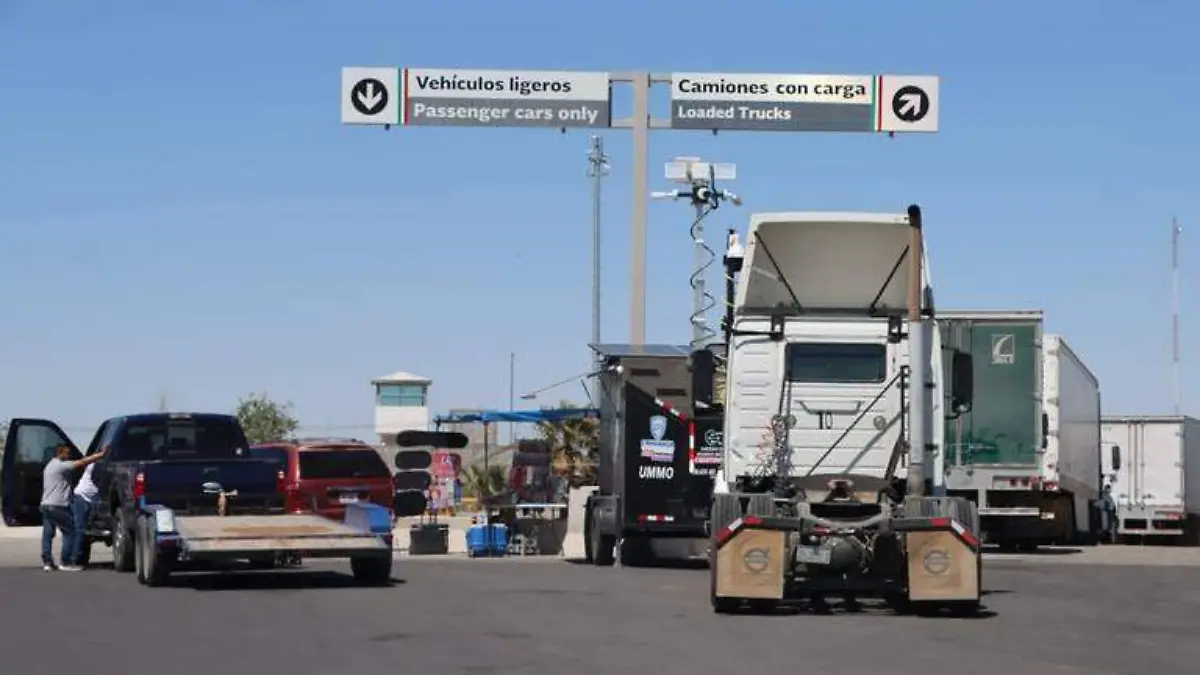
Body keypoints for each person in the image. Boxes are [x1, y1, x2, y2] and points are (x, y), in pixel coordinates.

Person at [40, 444, 107, 571]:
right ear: (60, 453)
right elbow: (81, 462)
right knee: (71, 531)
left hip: (45, 504)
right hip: (58, 505)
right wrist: (100, 455)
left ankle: (47, 562)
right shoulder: (61, 466)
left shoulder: (49, 466)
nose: (69, 456)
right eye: (67, 453)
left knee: (48, 534)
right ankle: (66, 562)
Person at [66, 448, 104, 568]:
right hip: (81, 498)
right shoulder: (94, 465)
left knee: (84, 531)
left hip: (89, 500)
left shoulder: (99, 465)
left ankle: (81, 559)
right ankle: (74, 560)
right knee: (80, 530)